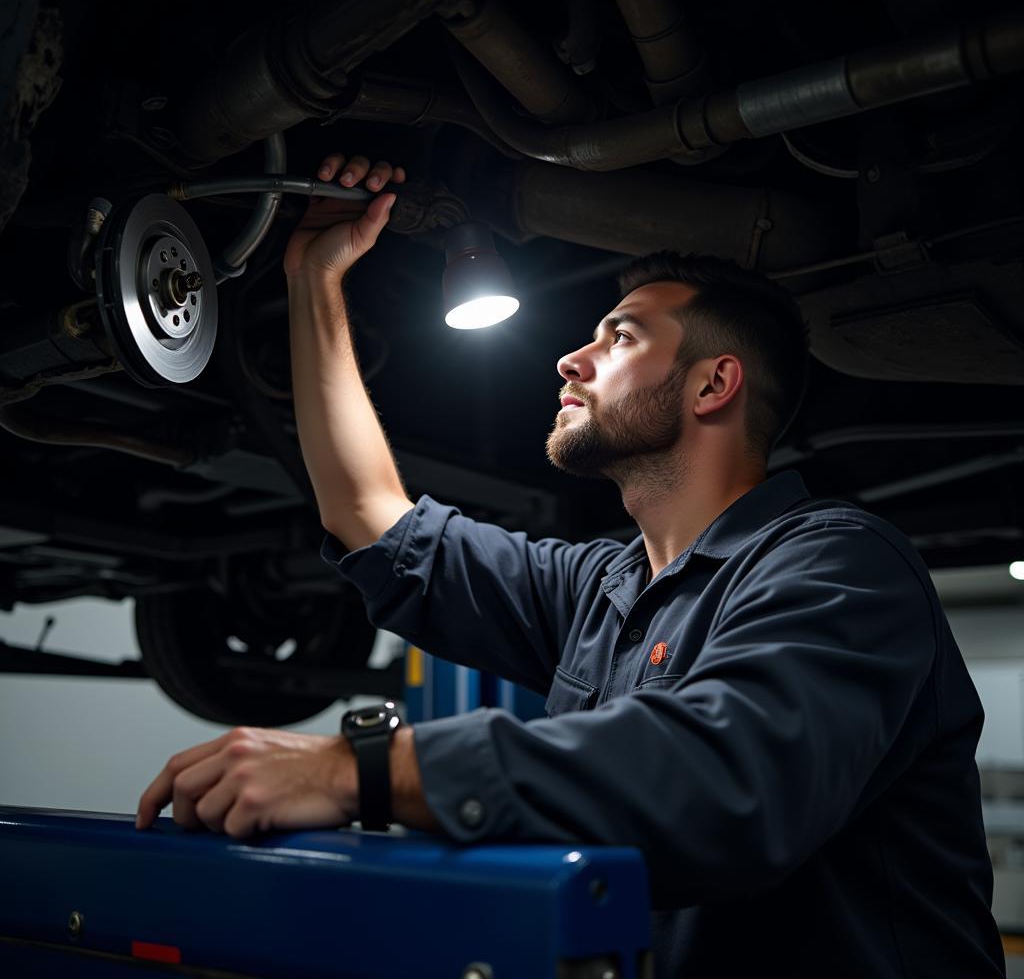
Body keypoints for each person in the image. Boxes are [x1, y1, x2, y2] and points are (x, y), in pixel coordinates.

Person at [137, 154, 1006, 978]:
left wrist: (357, 770)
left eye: (620, 336)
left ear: (714, 386)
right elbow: (370, 518)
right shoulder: (603, 588)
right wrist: (314, 279)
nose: (570, 358)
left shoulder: (841, 565)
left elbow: (728, 780)